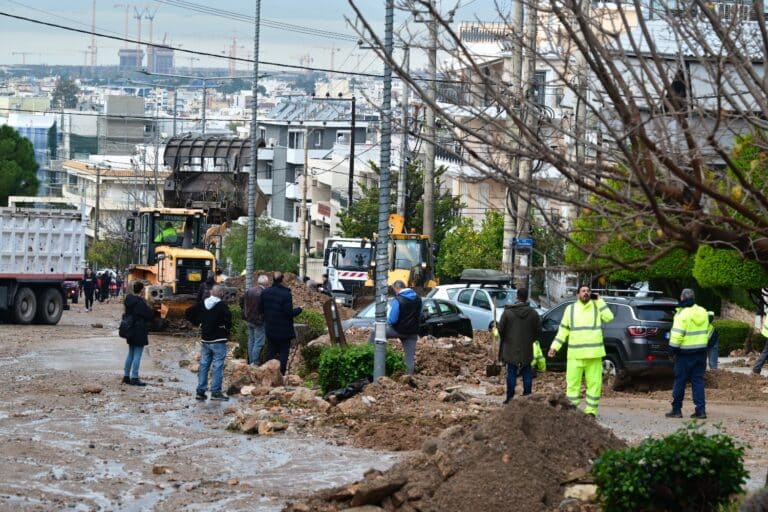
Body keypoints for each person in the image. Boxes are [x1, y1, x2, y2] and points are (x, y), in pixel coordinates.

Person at [547, 284, 614, 417]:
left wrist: (599, 300)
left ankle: (591, 412)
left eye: (588, 291)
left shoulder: (597, 307)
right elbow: (563, 330)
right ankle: (572, 411)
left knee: (594, 384)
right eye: (583, 291)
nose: (586, 293)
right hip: (575, 355)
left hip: (593, 355)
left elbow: (609, 317)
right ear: (578, 294)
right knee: (572, 384)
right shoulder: (570, 309)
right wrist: (554, 347)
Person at [665, 288, 709, 419]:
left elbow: (677, 335)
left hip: (684, 354)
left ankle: (676, 410)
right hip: (701, 352)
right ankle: (701, 411)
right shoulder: (702, 311)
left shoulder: (682, 314)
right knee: (698, 381)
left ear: (682, 298)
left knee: (680, 381)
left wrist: (672, 350)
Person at [186, 285, 232, 401]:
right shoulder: (222, 306)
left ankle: (200, 391)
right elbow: (228, 320)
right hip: (218, 339)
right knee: (217, 365)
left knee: (204, 364)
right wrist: (226, 330)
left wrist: (199, 323)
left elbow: (188, 312)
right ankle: (216, 392)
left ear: (212, 292)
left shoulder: (202, 303)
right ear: (221, 293)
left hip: (206, 339)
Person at [497, 287, 542, 403]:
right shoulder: (533, 313)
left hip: (510, 347)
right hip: (526, 347)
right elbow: (538, 331)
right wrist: (531, 339)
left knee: (511, 372)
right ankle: (527, 396)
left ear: (517, 296)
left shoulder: (507, 313)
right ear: (527, 297)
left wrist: (506, 339)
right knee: (527, 371)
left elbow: (500, 329)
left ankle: (510, 398)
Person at [367, 280, 422, 374]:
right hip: (412, 332)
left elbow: (393, 319)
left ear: (397, 288)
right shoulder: (418, 298)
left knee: (376, 332)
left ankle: (368, 353)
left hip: (398, 330)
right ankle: (409, 378)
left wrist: (387, 323)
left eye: (394, 290)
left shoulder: (398, 299)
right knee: (409, 358)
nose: (395, 292)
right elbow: (419, 315)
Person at [259, 272, 302, 375]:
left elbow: (261, 309)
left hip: (270, 328)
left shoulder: (265, 292)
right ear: (282, 280)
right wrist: (299, 309)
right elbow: (289, 313)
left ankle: (269, 373)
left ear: (272, 279)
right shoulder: (286, 294)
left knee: (271, 351)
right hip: (284, 330)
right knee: (283, 352)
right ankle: (281, 374)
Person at [122, 281, 155, 386]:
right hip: (139, 330)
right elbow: (150, 316)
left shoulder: (128, 300)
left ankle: (126, 376)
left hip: (130, 330)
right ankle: (135, 377)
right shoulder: (140, 302)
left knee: (130, 353)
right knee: (137, 354)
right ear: (141, 290)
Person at [244, 275, 268, 365]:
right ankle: (255, 362)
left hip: (249, 319)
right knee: (258, 342)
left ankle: (250, 362)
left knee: (251, 341)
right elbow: (265, 308)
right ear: (266, 283)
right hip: (259, 321)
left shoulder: (249, 290)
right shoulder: (264, 292)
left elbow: (242, 302)